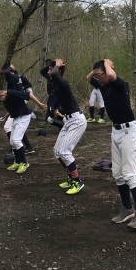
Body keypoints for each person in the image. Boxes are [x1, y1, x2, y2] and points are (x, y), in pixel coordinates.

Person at [87, 59, 136, 229]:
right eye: (97, 76)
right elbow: (88, 78)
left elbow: (112, 76)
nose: (97, 78)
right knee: (117, 173)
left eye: (100, 75)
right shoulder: (102, 86)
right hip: (116, 131)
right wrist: (98, 71)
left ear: (107, 73)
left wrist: (108, 65)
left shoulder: (119, 84)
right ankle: (127, 209)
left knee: (129, 173)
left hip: (129, 131)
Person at [41, 59, 87, 194]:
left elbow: (54, 74)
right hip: (68, 120)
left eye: (52, 69)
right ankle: (71, 178)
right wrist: (54, 65)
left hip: (77, 121)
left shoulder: (63, 82)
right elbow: (42, 72)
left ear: (58, 72)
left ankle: (77, 181)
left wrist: (58, 65)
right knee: (57, 151)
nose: (49, 72)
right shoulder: (54, 82)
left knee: (65, 152)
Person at [0, 86, 46, 174]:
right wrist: (7, 115)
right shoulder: (5, 98)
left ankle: (24, 163)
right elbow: (14, 105)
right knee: (12, 141)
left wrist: (40, 104)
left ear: (2, 94)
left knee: (16, 140)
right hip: (16, 118)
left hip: (24, 117)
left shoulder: (12, 93)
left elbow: (29, 94)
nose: (1, 102)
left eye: (0, 100)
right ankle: (18, 161)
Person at [1, 65, 36, 155]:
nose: (4, 75)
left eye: (4, 73)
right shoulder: (13, 80)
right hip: (18, 107)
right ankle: (26, 147)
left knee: (8, 127)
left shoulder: (13, 79)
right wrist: (8, 113)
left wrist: (10, 67)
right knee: (16, 129)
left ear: (11, 72)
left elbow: (28, 91)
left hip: (22, 109)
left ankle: (16, 149)